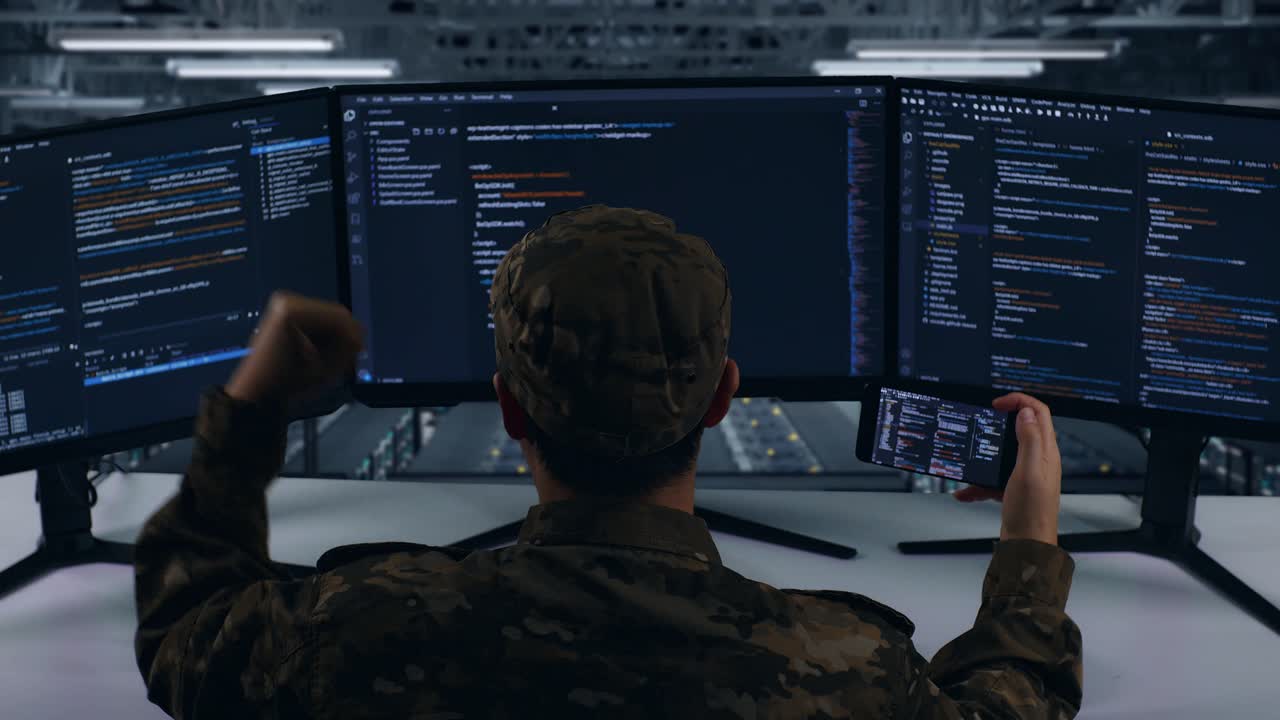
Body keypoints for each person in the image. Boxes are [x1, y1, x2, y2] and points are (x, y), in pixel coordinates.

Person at [135, 205, 1082, 719]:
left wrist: (253, 405)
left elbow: (185, 637)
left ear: (509, 408)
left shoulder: (359, 628)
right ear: (721, 398)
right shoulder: (847, 669)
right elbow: (1015, 704)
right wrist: (1028, 543)